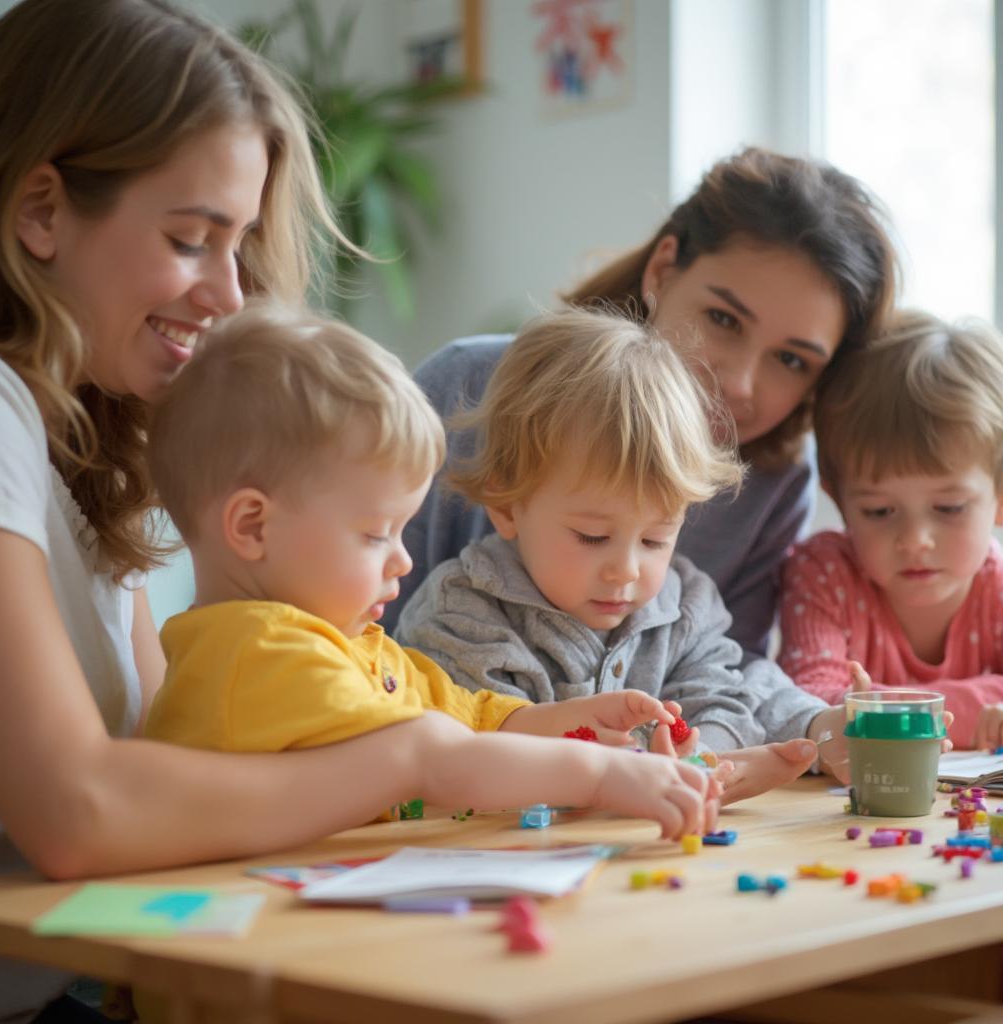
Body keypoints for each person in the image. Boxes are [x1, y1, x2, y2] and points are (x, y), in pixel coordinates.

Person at [0, 2, 670, 1020]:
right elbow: (83, 814)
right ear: (40, 211)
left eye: (240, 246)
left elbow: (176, 770)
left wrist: (510, 732)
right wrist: (417, 752)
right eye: (188, 239)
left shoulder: (86, 448)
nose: (227, 293)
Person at [143, 301, 720, 833]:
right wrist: (597, 774)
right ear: (252, 527)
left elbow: (468, 716)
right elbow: (440, 761)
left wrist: (571, 720)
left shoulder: (347, 644)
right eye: (374, 534)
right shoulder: (257, 656)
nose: (404, 558)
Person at [385, 148, 898, 674]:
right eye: (723, 319)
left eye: (791, 360)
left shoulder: (774, 482)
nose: (739, 383)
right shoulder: (467, 382)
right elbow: (359, 630)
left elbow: (724, 677)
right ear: (661, 270)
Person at [396, 307, 852, 801]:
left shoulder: (687, 606)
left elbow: (724, 698)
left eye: (656, 539)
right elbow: (471, 752)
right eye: (592, 537)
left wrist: (702, 759)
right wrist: (624, 773)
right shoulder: (460, 613)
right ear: (507, 507)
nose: (626, 570)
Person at [778, 310, 1003, 751]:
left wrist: (876, 709)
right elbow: (809, 704)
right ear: (840, 502)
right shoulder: (823, 572)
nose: (916, 539)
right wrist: (969, 709)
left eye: (949, 507)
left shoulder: (995, 587)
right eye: (880, 511)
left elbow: (850, 715)